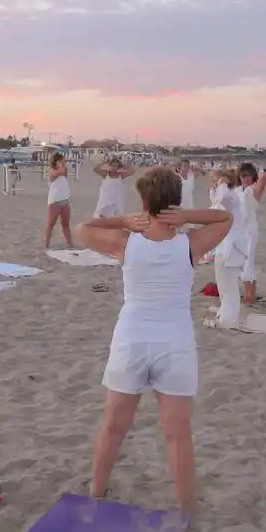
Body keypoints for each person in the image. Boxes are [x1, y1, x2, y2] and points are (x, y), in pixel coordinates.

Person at [74, 166, 232, 513]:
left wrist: (124, 222)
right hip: (175, 344)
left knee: (114, 427)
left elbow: (82, 228)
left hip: (132, 339)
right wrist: (188, 216)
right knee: (177, 435)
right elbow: (225, 219)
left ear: (143, 202)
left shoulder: (126, 243)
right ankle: (186, 509)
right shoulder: (189, 244)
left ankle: (97, 493)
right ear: (175, 202)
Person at [207, 168, 250, 328]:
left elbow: (222, 197)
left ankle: (227, 320)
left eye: (216, 181)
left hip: (232, 247)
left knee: (228, 287)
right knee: (223, 285)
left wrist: (222, 183)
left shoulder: (231, 197)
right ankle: (225, 314)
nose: (215, 184)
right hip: (226, 246)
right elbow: (215, 205)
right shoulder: (230, 198)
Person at [236, 163, 266, 304]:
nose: (246, 179)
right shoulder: (238, 189)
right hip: (239, 229)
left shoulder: (254, 189)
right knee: (241, 263)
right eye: (243, 176)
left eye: (248, 176)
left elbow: (264, 178)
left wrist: (261, 169)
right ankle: (247, 294)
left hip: (250, 230)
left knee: (248, 262)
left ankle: (250, 297)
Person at [44, 151, 73, 249]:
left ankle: (70, 243)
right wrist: (59, 165)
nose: (64, 162)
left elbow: (64, 173)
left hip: (65, 200)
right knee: (51, 224)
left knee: (66, 224)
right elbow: (59, 172)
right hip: (55, 201)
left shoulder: (63, 170)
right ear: (56, 162)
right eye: (62, 160)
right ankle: (46, 244)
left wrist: (63, 165)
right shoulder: (52, 172)